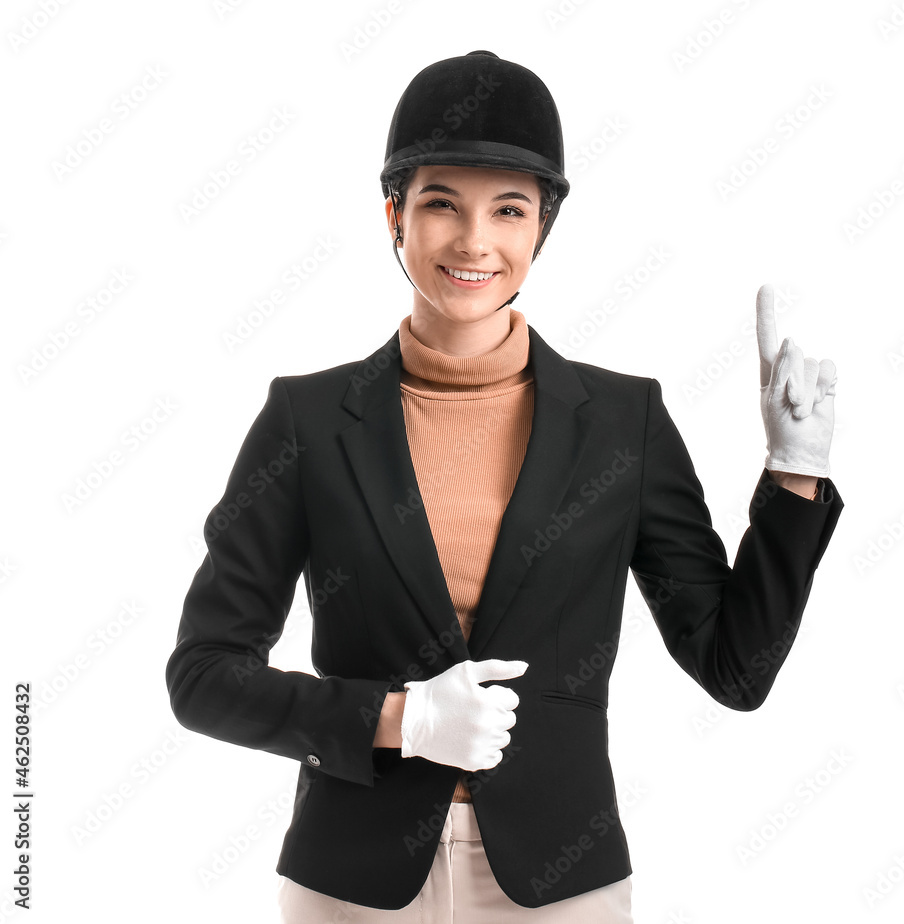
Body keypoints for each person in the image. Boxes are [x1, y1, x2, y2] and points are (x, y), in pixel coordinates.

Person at [165, 50, 844, 921]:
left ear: (541, 231)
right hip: (351, 882)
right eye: (441, 203)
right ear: (394, 219)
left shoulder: (622, 423)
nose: (474, 240)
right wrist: (399, 720)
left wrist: (796, 472)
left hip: (562, 884)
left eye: (509, 210)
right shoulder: (305, 421)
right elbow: (204, 677)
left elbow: (735, 668)